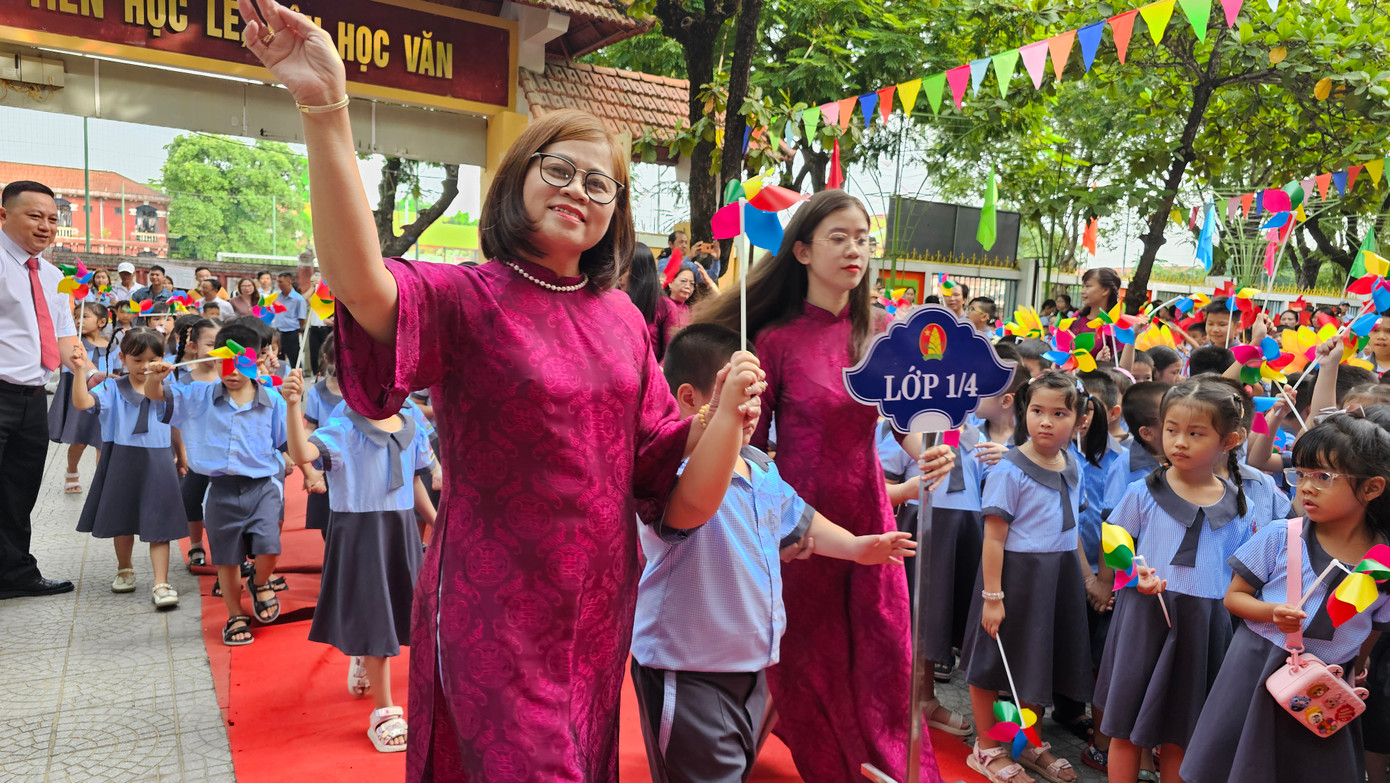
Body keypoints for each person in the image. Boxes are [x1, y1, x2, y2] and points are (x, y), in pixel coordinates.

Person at [238, 6, 767, 778]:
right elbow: (360, 285)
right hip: (495, 599)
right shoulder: (468, 297)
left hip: (595, 608)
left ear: (616, 213)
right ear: (516, 176)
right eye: (558, 169)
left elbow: (673, 498)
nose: (578, 190)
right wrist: (327, 109)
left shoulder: (623, 318)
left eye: (599, 183)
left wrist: (720, 423)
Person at [694, 188, 959, 781]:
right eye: (838, 238)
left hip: (871, 517)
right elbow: (747, 448)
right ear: (804, 251)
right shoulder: (775, 340)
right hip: (801, 524)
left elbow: (903, 417)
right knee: (811, 664)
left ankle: (896, 770)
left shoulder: (882, 332)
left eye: (863, 239)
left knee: (887, 656)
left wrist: (929, 454)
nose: (854, 250)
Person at [632, 324, 918, 782]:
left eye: (754, 398)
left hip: (752, 665)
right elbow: (691, 503)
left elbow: (800, 519)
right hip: (686, 669)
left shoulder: (762, 466)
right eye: (734, 396)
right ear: (691, 399)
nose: (749, 411)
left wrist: (857, 547)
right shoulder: (673, 469)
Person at [1181, 413, 1390, 783]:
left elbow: (1374, 625)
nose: (1306, 487)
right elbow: (1235, 598)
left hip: (1327, 680)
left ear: (1372, 488)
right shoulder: (1283, 535)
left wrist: (1357, 663)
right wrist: (1271, 611)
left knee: (1311, 767)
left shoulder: (1383, 561)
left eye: (1324, 477)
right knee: (1241, 762)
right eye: (1302, 473)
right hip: (1257, 665)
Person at [1095, 379, 1256, 783]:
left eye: (1196, 433)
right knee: (1125, 726)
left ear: (1231, 440)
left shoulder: (1241, 506)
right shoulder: (1143, 491)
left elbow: (1242, 572)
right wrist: (1133, 573)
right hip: (1144, 616)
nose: (1179, 441)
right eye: (1172, 429)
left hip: (1203, 625)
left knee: (1183, 731)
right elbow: (1115, 535)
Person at [962, 370, 1108, 783]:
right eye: (1038, 410)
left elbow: (1071, 529)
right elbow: (993, 537)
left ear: (1079, 420)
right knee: (993, 661)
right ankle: (987, 748)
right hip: (1014, 578)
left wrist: (1084, 579)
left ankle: (1028, 740)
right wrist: (993, 595)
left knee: (1037, 662)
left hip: (1057, 576)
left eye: (1059, 413)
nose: (1046, 421)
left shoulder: (1073, 464)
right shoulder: (1010, 469)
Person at [284, 367, 438, 753]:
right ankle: (383, 712)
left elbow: (414, 478)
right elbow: (303, 453)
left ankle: (364, 658)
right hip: (359, 531)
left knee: (398, 610)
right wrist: (292, 405)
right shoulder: (344, 426)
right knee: (374, 613)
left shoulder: (412, 420)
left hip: (400, 528)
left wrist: (438, 522)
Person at [144, 321, 288, 645]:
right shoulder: (198, 396)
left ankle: (261, 581)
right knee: (226, 557)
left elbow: (283, 442)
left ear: (259, 360)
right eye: (226, 363)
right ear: (214, 359)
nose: (233, 371)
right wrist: (156, 376)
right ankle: (235, 614)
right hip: (220, 490)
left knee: (269, 547)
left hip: (262, 486)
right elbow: (156, 396)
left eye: (243, 363)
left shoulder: (272, 400)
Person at [0, 180, 79, 599]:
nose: (46, 226)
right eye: (35, 216)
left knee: (19, 489)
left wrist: (88, 373)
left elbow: (65, 336)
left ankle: (15, 573)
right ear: (3, 215)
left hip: (33, 398)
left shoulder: (51, 276)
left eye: (53, 218)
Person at [69, 327, 187, 608]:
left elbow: (174, 426)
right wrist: (77, 371)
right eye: (137, 360)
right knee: (122, 521)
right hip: (121, 458)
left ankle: (161, 582)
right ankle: (125, 568)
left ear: (164, 357)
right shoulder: (111, 387)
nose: (145, 366)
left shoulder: (166, 389)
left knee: (160, 524)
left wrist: (182, 457)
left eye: (153, 358)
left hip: (158, 461)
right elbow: (82, 402)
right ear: (122, 357)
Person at [48, 301, 116, 494]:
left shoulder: (113, 345)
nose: (79, 321)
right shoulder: (74, 344)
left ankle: (101, 481)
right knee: (79, 440)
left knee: (103, 440)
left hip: (105, 399)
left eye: (85, 317)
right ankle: (72, 470)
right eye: (76, 317)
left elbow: (119, 370)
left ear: (102, 321)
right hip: (80, 397)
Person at [170, 316, 220, 569]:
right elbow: (176, 423)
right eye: (211, 344)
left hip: (224, 455)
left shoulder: (233, 378)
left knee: (223, 503)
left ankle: (227, 548)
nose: (217, 350)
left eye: (223, 343)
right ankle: (196, 545)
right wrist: (183, 453)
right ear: (193, 347)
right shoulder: (183, 380)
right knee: (192, 499)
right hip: (197, 454)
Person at [299, 333, 341, 540]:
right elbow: (311, 426)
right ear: (326, 358)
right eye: (334, 360)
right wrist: (303, 448)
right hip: (325, 460)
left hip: (355, 459)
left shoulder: (362, 389)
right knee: (327, 518)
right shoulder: (317, 391)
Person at [270, 271, 308, 369]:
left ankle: (297, 377)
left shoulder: (298, 299)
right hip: (278, 332)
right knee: (278, 358)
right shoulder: (276, 296)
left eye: (281, 282)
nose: (279, 284)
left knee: (294, 358)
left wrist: (297, 329)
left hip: (291, 333)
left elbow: (302, 318)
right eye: (278, 282)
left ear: (289, 282)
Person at [1069, 268, 1120, 336]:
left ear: (1105, 290)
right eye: (1083, 287)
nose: (1082, 291)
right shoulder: (1077, 317)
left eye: (1088, 286)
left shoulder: (1115, 325)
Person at [305, 271, 334, 377]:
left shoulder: (327, 295)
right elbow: (305, 298)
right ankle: (315, 373)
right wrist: (312, 287)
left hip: (325, 328)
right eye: (313, 281)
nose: (316, 282)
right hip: (314, 329)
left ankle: (325, 372)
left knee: (325, 352)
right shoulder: (313, 297)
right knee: (313, 352)